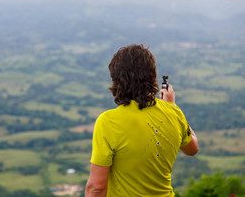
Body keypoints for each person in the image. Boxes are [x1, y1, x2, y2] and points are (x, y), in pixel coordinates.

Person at [85, 44, 199, 197]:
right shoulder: (173, 112)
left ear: (116, 79)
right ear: (152, 76)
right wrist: (173, 107)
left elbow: (96, 188)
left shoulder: (108, 122)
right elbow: (193, 149)